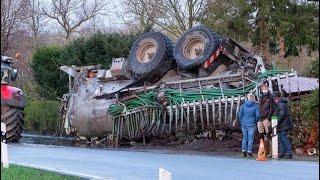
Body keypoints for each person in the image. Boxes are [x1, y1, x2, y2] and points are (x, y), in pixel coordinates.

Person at [273, 91, 293, 159]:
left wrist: (276, 122)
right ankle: (283, 153)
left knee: (284, 139)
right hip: (283, 124)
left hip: (283, 124)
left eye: (274, 98)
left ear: (276, 98)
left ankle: (288, 153)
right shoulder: (280, 103)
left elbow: (281, 114)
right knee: (281, 139)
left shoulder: (281, 104)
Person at [258, 84, 274, 155]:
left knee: (268, 135)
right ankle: (264, 150)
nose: (264, 90)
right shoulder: (260, 97)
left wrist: (268, 118)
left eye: (265, 88)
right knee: (261, 135)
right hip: (260, 119)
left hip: (266, 118)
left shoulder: (270, 98)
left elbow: (271, 109)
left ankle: (270, 151)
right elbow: (259, 108)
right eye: (263, 89)